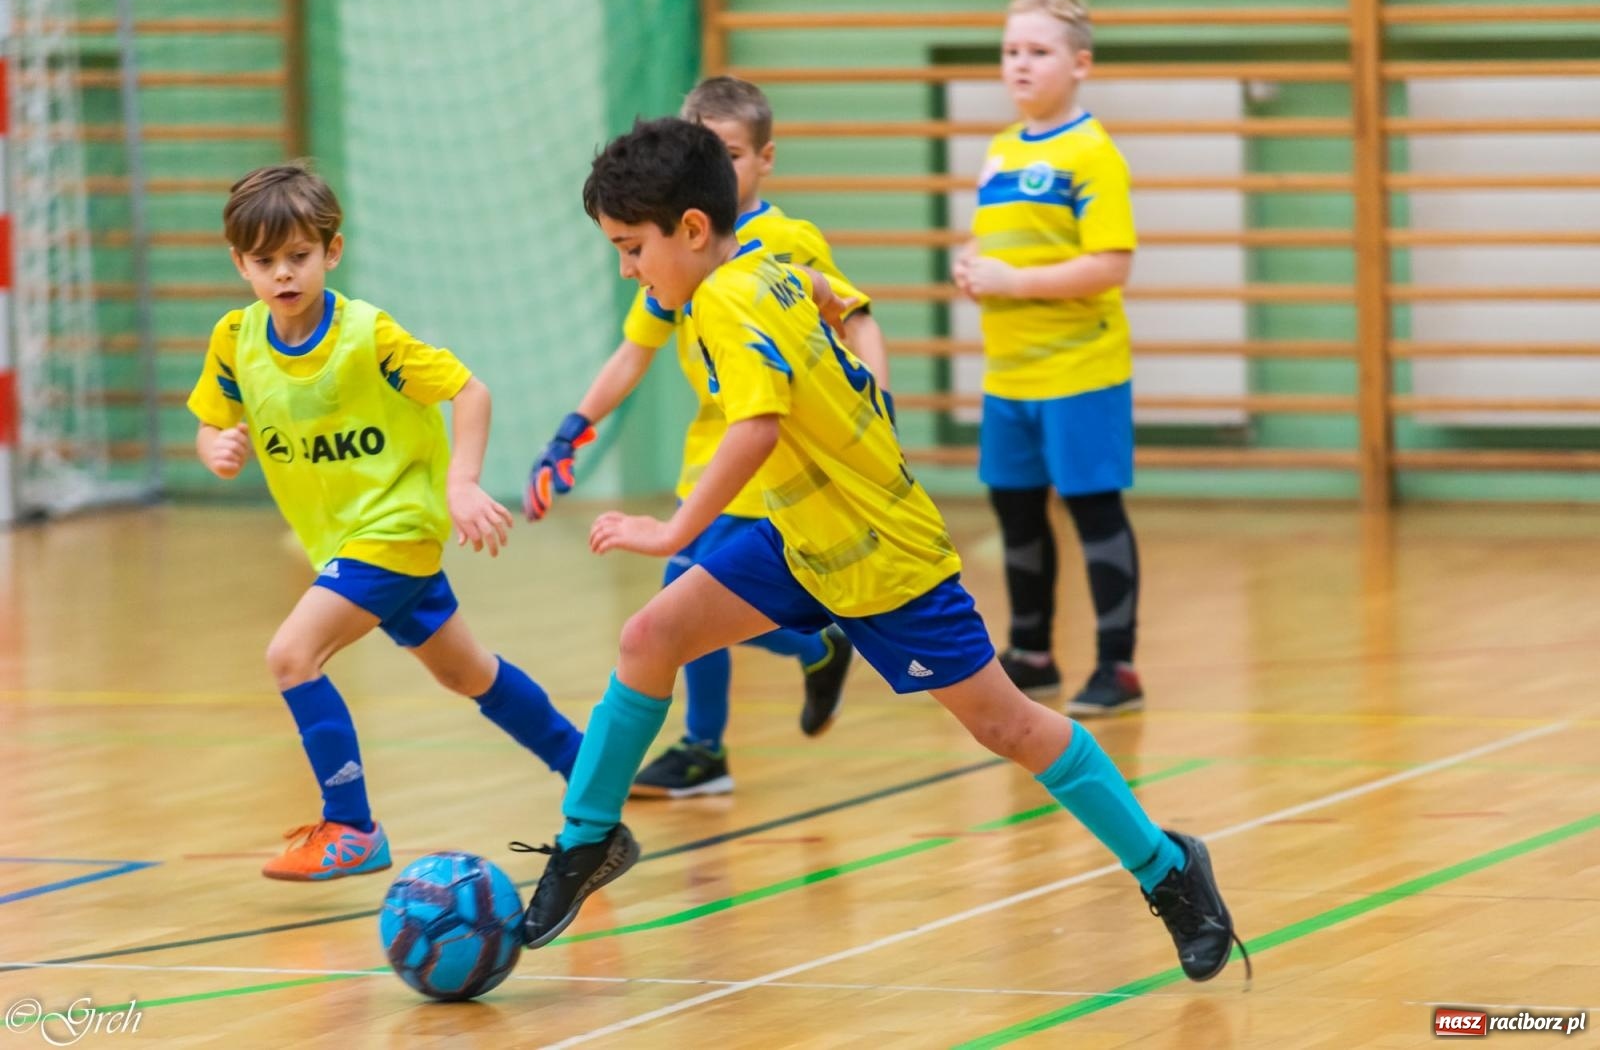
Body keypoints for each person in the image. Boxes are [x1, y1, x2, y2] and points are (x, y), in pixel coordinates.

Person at [510, 118, 1248, 987]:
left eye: (633, 249)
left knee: (1009, 725)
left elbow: (755, 427)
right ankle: (590, 835)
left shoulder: (724, 299)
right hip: (798, 534)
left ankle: (1169, 869)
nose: (629, 270)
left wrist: (671, 531)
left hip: (880, 552)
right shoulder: (761, 264)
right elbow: (830, 300)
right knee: (650, 638)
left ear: (694, 230)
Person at [187, 162, 582, 880]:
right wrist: (216, 448)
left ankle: (351, 826)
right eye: (266, 261)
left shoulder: (368, 335)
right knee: (468, 674)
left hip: (396, 528)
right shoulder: (235, 341)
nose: (284, 274)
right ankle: (587, 768)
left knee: (290, 656)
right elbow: (211, 426)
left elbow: (469, 391)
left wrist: (461, 484)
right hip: (344, 541)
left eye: (299, 256)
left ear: (332, 252)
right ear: (240, 264)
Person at [526, 76, 887, 799]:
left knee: (682, 597)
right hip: (708, 456)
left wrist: (873, 408)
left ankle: (705, 743)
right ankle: (799, 661)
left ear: (763, 159)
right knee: (686, 606)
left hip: (769, 456)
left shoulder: (783, 242)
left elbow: (851, 318)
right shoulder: (665, 254)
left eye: (731, 153)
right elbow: (635, 351)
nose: (720, 168)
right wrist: (573, 428)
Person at [953, 0, 1144, 715]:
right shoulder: (1000, 150)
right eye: (1011, 52)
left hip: (1078, 371)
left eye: (1038, 52)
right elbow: (995, 238)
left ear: (1080, 63)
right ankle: (1031, 652)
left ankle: (1118, 666)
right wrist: (970, 262)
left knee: (1094, 509)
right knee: (1016, 512)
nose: (1020, 65)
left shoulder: (1093, 155)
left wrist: (1016, 280)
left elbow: (1110, 264)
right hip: (1010, 374)